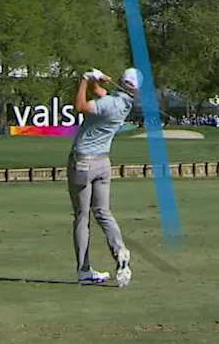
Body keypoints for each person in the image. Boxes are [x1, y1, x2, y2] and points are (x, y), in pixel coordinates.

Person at [66, 67, 137, 287]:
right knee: (103, 212)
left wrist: (84, 80)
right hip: (103, 163)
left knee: (82, 216)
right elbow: (102, 94)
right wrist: (98, 80)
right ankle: (120, 250)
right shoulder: (123, 103)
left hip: (83, 162)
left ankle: (84, 270)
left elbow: (79, 106)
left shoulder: (108, 104)